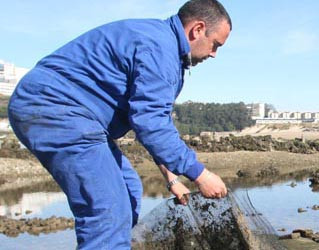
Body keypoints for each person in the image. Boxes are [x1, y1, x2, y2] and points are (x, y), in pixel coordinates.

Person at [7, 0, 231, 248]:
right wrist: (201, 174)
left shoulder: (162, 45)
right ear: (198, 29)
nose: (214, 54)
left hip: (73, 115)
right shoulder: (160, 50)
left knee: (128, 189)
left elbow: (155, 124)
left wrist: (173, 180)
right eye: (215, 45)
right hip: (57, 109)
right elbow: (150, 123)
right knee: (108, 211)